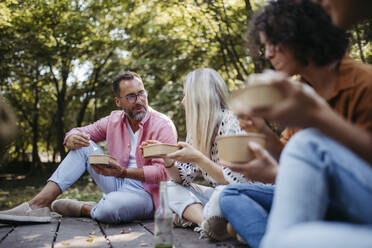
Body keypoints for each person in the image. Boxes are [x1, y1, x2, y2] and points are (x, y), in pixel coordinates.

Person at [218, 1, 372, 247]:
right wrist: (262, 132)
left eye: (274, 43)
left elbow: (355, 174)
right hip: (322, 196)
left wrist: (316, 119)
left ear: (301, 34)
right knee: (230, 195)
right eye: (264, 46)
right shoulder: (298, 91)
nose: (267, 54)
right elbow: (294, 159)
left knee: (306, 142)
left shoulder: (364, 83)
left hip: (356, 200)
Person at [0, 71, 177, 224]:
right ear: (118, 101)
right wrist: (70, 139)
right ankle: (37, 205)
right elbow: (78, 131)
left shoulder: (163, 125)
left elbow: (163, 173)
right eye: (131, 96)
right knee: (83, 145)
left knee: (110, 208)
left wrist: (123, 172)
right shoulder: (113, 121)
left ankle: (85, 208)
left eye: (142, 93)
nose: (139, 100)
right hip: (117, 181)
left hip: (147, 192)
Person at [142, 68, 251, 240]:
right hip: (217, 197)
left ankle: (202, 219)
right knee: (167, 189)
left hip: (239, 195)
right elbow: (182, 180)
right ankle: (207, 223)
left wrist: (197, 157)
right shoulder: (196, 131)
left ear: (198, 97)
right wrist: (168, 160)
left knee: (221, 196)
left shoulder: (233, 122)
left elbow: (234, 181)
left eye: (186, 95)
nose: (183, 102)